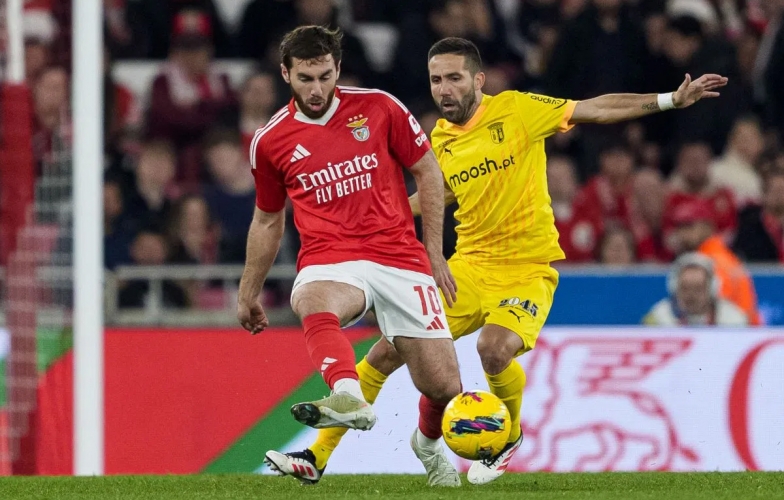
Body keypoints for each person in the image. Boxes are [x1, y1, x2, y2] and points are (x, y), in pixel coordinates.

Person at [280, 36, 729, 486]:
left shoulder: (517, 110)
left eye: (454, 78)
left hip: (528, 268)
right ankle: (316, 456)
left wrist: (671, 99)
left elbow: (595, 108)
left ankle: (509, 435)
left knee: (493, 349)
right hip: (468, 268)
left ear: (477, 79)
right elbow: (435, 196)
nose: (444, 90)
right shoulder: (439, 140)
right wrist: (361, 212)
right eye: (436, 80)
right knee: (386, 351)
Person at [237, 27, 463, 486]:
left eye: (324, 76)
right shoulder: (271, 141)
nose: (315, 89)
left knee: (443, 386)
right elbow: (266, 220)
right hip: (331, 256)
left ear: (338, 69)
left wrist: (434, 253)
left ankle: (428, 442)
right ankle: (346, 393)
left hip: (398, 253)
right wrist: (248, 291)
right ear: (286, 74)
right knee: (313, 299)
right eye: (304, 78)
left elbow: (428, 171)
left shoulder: (380, 107)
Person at [671, 199, 761, 325]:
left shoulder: (709, 262)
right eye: (679, 227)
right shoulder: (719, 255)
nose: (682, 233)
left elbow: (713, 309)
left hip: (733, 330)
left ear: (708, 227)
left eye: (689, 226)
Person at [643, 252, 748, 326]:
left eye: (698, 289)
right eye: (685, 288)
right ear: (674, 288)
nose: (691, 296)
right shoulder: (658, 319)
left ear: (712, 288)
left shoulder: (733, 319)